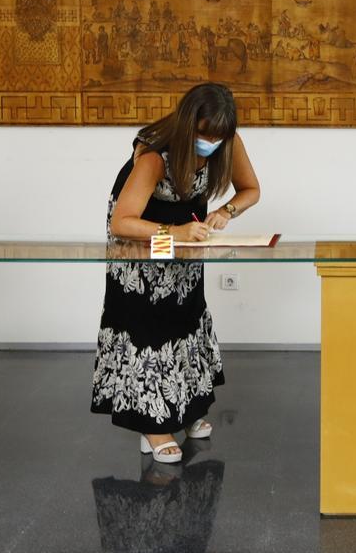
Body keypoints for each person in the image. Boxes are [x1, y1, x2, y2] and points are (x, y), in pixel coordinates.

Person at [91, 82, 260, 463]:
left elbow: (250, 189)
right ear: (188, 126)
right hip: (143, 233)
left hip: (184, 234)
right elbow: (123, 221)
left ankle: (186, 409)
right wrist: (176, 233)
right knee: (149, 321)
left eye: (217, 138)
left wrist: (225, 212)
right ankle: (152, 424)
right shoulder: (154, 155)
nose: (211, 144)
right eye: (204, 136)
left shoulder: (225, 141)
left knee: (185, 313)